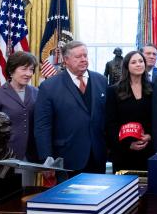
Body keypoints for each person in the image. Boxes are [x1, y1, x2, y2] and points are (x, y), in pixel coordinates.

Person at [34, 40, 108, 174]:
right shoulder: (49, 86)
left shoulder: (101, 80)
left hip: (98, 156)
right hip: (66, 158)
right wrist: (46, 158)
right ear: (66, 60)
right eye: (78, 57)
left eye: (85, 55)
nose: (83, 59)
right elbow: (42, 126)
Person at [0, 51, 39, 161]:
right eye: (24, 69)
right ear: (11, 70)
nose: (28, 74)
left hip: (31, 155)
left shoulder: (37, 92)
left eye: (31, 70)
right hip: (5, 156)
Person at [105, 50, 154, 172]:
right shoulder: (113, 91)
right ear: (126, 66)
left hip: (149, 149)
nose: (138, 64)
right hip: (124, 151)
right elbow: (111, 124)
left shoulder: (154, 88)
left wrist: (150, 136)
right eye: (134, 62)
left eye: (141, 61)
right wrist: (128, 144)